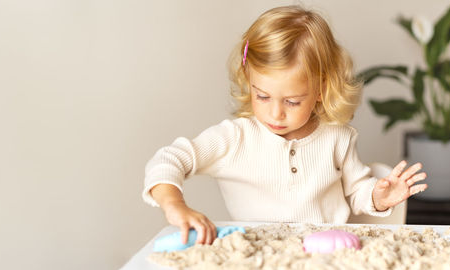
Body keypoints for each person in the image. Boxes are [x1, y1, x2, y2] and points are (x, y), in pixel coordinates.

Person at [143, 5, 428, 246]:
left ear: (321, 90)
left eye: (292, 101)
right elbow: (168, 159)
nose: (275, 113)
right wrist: (175, 206)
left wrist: (377, 197)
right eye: (262, 96)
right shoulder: (235, 138)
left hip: (327, 257)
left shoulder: (338, 138)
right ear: (248, 78)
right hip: (258, 255)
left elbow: (356, 193)